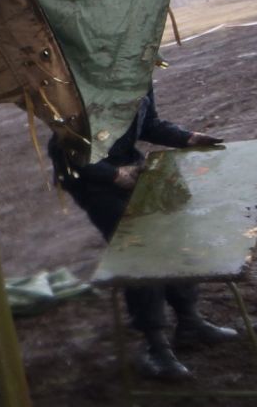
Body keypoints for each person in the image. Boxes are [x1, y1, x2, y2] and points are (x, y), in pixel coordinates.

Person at [50, 84, 238, 381]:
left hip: (130, 167)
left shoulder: (137, 62)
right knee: (140, 246)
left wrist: (186, 138)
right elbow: (65, 146)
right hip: (92, 179)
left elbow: (147, 123)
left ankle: (189, 320)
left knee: (174, 231)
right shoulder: (82, 74)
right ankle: (154, 346)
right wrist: (113, 175)